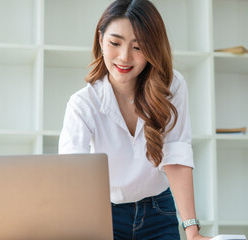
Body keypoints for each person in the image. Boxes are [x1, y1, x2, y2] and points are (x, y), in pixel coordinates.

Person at [59, 0, 212, 239]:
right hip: (104, 214)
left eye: (138, 47)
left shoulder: (172, 86)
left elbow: (176, 156)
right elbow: (70, 174)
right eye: (115, 43)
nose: (124, 57)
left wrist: (192, 231)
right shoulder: (83, 104)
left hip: (158, 212)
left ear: (153, 48)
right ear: (101, 40)